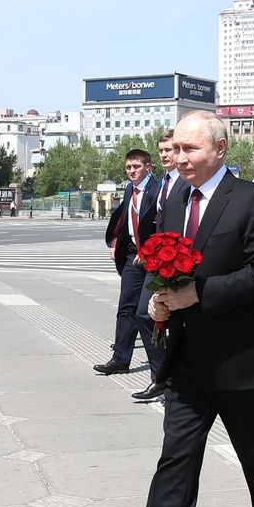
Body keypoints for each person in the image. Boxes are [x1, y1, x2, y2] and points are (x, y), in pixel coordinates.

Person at [97, 111, 254, 507]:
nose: (181, 159)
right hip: (187, 360)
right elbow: (161, 263)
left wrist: (198, 294)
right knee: (176, 460)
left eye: (191, 150)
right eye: (177, 149)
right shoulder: (173, 201)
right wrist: (158, 298)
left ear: (220, 149)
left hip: (243, 359)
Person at [133, 131, 188, 401]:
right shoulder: (160, 183)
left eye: (170, 149)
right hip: (158, 259)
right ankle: (160, 377)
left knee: (174, 322)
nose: (166, 155)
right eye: (162, 150)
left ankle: (174, 379)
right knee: (146, 314)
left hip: (181, 261)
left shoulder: (186, 182)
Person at [95, 149, 159, 378]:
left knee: (146, 313)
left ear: (148, 166)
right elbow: (124, 220)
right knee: (126, 308)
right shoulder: (130, 189)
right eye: (129, 167)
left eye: (137, 167)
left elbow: (162, 225)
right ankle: (120, 359)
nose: (132, 171)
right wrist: (116, 244)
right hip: (133, 255)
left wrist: (149, 249)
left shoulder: (158, 189)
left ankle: (159, 373)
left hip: (152, 257)